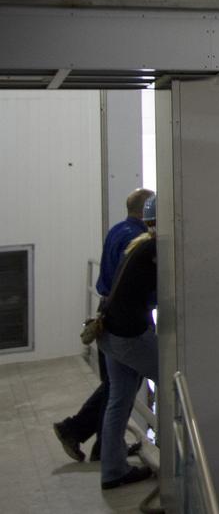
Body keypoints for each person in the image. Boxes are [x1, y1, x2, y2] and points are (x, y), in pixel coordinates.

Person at [53, 188, 153, 462]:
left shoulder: (116, 231)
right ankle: (81, 433)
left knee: (117, 385)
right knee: (120, 387)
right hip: (128, 317)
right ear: (146, 212)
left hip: (106, 311)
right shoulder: (137, 238)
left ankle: (101, 445)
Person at [97, 208, 159, 490]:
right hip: (128, 333)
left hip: (109, 327)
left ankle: (113, 471)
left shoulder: (138, 244)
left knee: (119, 399)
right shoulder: (154, 249)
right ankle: (177, 464)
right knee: (176, 380)